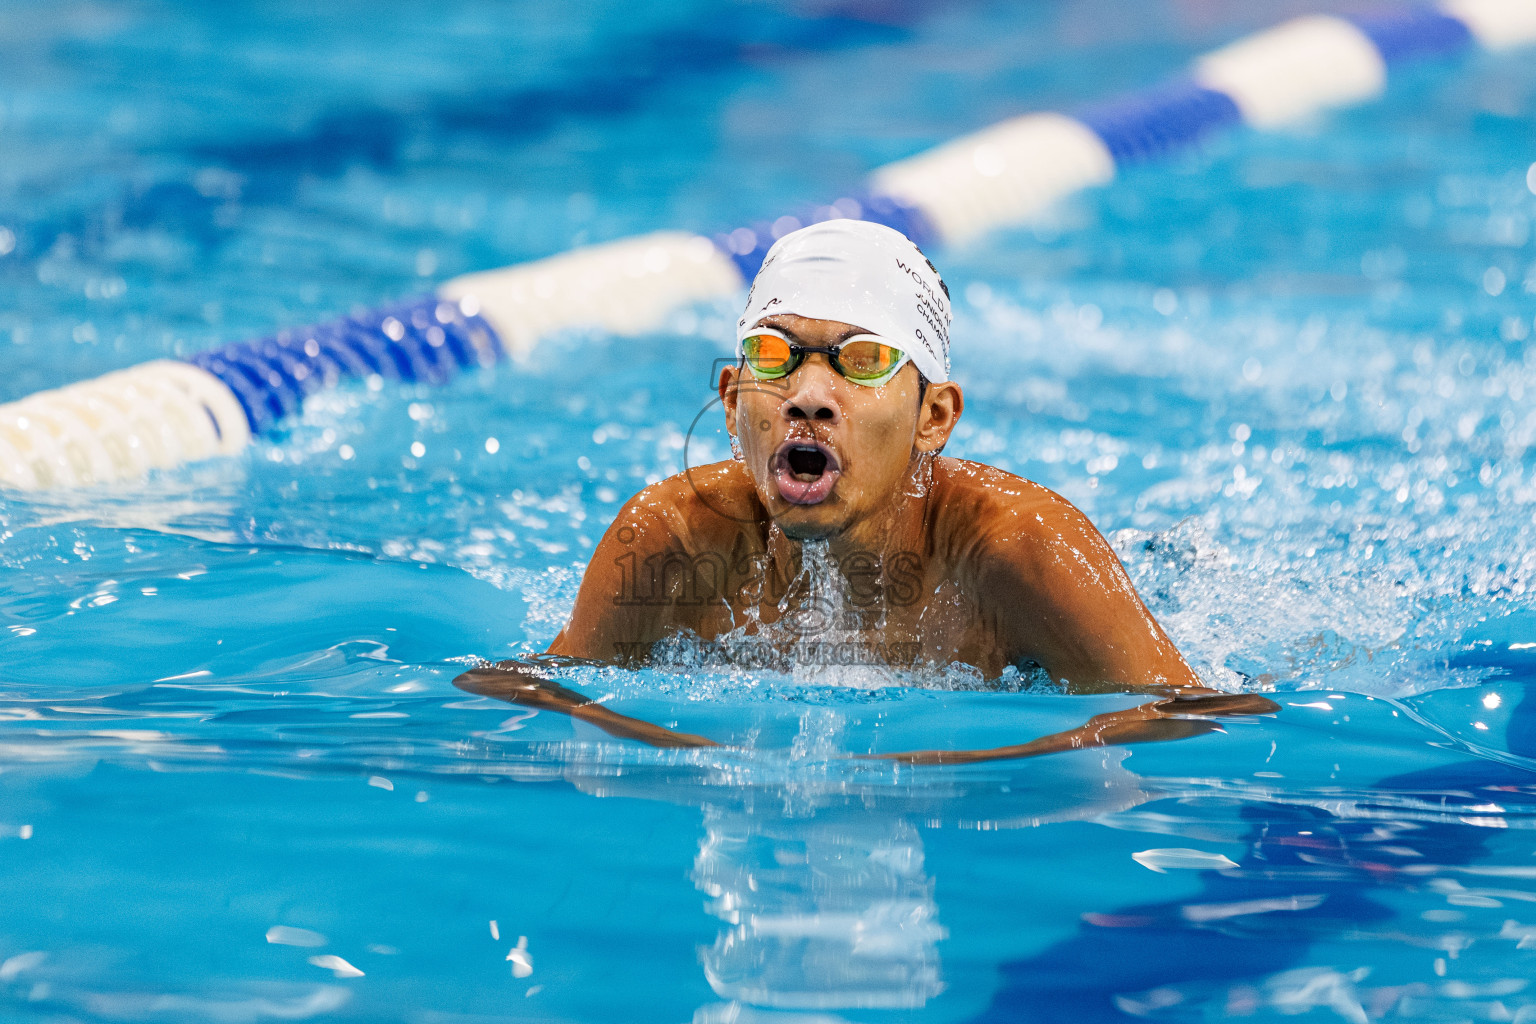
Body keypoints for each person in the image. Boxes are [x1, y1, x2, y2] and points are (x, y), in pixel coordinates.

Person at [457, 219, 1276, 761]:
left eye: (864, 360)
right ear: (733, 402)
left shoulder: (1021, 550)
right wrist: (693, 753)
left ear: (934, 417)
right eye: (775, 355)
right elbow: (515, 688)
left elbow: (1202, 717)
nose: (809, 396)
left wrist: (963, 765)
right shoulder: (671, 537)